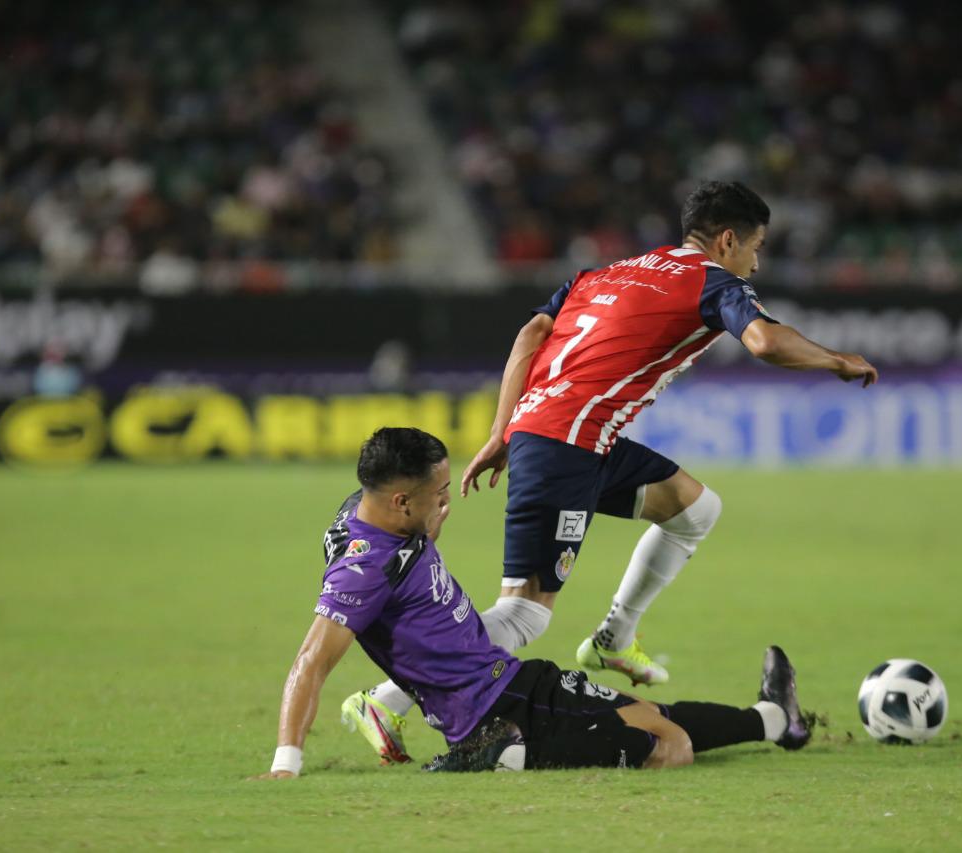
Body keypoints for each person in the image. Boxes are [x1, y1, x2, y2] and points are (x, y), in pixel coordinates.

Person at [344, 181, 874, 763]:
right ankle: (385, 699)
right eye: (757, 245)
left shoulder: (604, 274)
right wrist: (836, 360)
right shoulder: (715, 281)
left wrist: (503, 428)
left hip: (573, 436)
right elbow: (765, 341)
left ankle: (614, 639)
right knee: (523, 612)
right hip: (564, 444)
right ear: (728, 240)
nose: (757, 259)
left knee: (696, 508)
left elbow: (530, 334)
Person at [254, 427, 811, 779]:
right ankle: (487, 756)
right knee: (670, 745)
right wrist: (287, 764)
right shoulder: (364, 570)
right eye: (439, 495)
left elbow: (399, 563)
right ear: (401, 501)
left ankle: (772, 719)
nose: (449, 502)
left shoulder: (366, 511)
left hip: (516, 682)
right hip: (495, 708)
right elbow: (311, 661)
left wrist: (426, 528)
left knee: (657, 718)